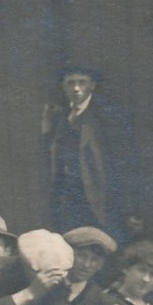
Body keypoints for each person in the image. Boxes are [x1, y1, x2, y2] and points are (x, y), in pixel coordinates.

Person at [41, 65, 131, 234]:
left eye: (82, 83)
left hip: (96, 195)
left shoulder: (105, 115)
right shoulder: (60, 116)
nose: (76, 88)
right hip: (66, 197)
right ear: (63, 86)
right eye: (70, 83)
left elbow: (119, 162)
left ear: (92, 85)